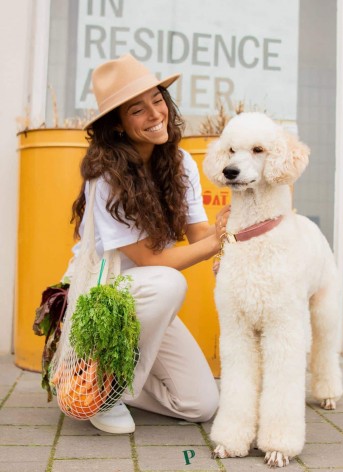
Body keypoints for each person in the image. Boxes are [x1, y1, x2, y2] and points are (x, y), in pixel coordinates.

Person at [65, 54, 230, 434]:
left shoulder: (181, 161)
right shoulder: (106, 175)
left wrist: (236, 233)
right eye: (137, 110)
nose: (155, 114)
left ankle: (91, 380)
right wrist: (214, 245)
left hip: (151, 303)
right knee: (168, 282)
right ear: (119, 126)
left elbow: (200, 235)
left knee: (200, 405)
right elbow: (150, 259)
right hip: (103, 297)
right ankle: (107, 391)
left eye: (158, 100)